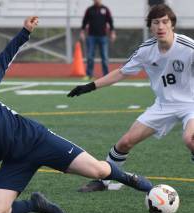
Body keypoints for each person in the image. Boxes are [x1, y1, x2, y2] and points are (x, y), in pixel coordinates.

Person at [0, 16, 152, 213]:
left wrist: (24, 33)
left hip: (38, 140)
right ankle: (35, 204)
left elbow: (2, 60)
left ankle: (131, 179)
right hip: (14, 161)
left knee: (99, 171)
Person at [68, 4, 193, 192]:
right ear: (150, 27)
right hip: (163, 105)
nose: (160, 27)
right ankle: (103, 181)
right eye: (155, 22)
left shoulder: (187, 46)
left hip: (190, 104)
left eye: (165, 22)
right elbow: (121, 72)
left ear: (172, 25)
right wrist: (90, 86)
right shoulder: (146, 50)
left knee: (190, 139)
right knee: (126, 141)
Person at [80, 0, 116, 80]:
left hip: (103, 36)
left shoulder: (105, 9)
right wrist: (82, 31)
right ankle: (89, 75)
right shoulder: (89, 9)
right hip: (91, 36)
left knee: (104, 57)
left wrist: (112, 32)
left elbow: (110, 21)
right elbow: (85, 21)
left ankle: (106, 75)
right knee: (90, 56)